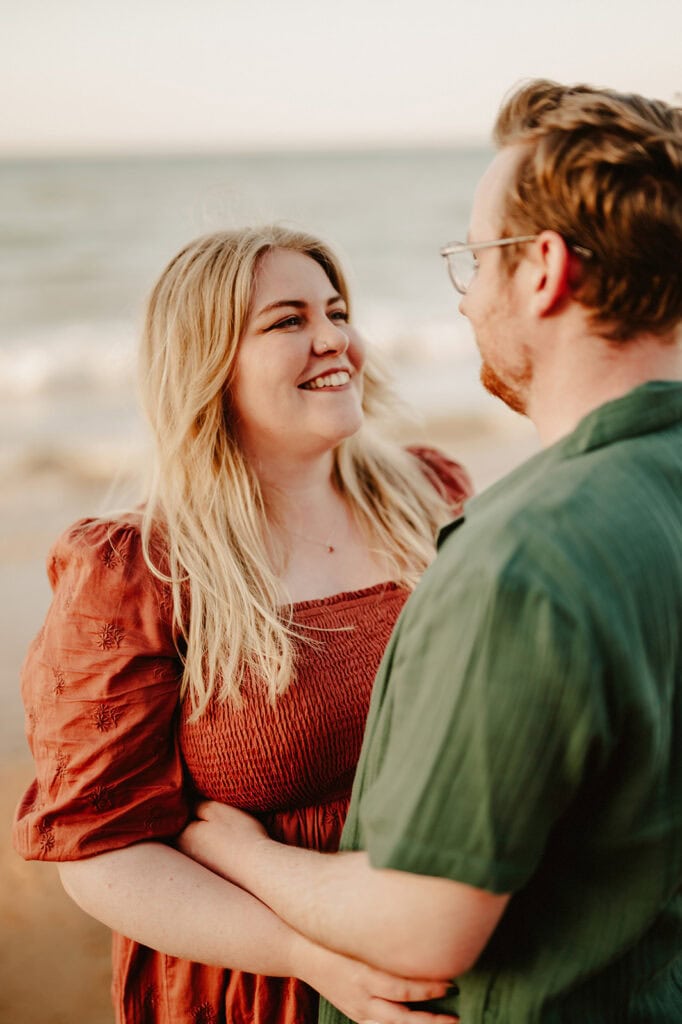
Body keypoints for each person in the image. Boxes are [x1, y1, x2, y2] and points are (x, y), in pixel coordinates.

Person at [176, 81, 682, 1023]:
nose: (465, 302)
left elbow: (418, 931)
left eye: (476, 260)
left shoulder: (522, 562)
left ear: (541, 271)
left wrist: (237, 851)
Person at [12, 225, 473, 1024]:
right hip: (261, 986)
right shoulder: (138, 572)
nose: (334, 339)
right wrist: (314, 958)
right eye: (288, 321)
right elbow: (103, 854)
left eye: (336, 312)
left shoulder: (432, 498)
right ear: (207, 363)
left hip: (454, 945)